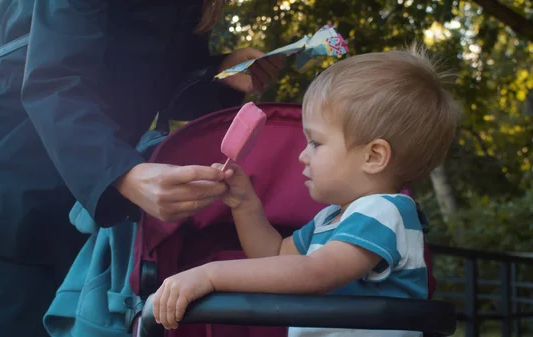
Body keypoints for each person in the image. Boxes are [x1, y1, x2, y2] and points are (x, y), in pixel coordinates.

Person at [0, 0, 282, 336]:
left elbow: (145, 82)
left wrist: (219, 73)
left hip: (76, 210)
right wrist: (123, 173)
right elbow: (53, 79)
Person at [151, 45, 460, 336]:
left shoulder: (386, 212)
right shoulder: (332, 219)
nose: (303, 154)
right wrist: (245, 205)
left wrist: (210, 275)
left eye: (316, 142)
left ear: (373, 157)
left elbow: (315, 274)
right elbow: (273, 255)